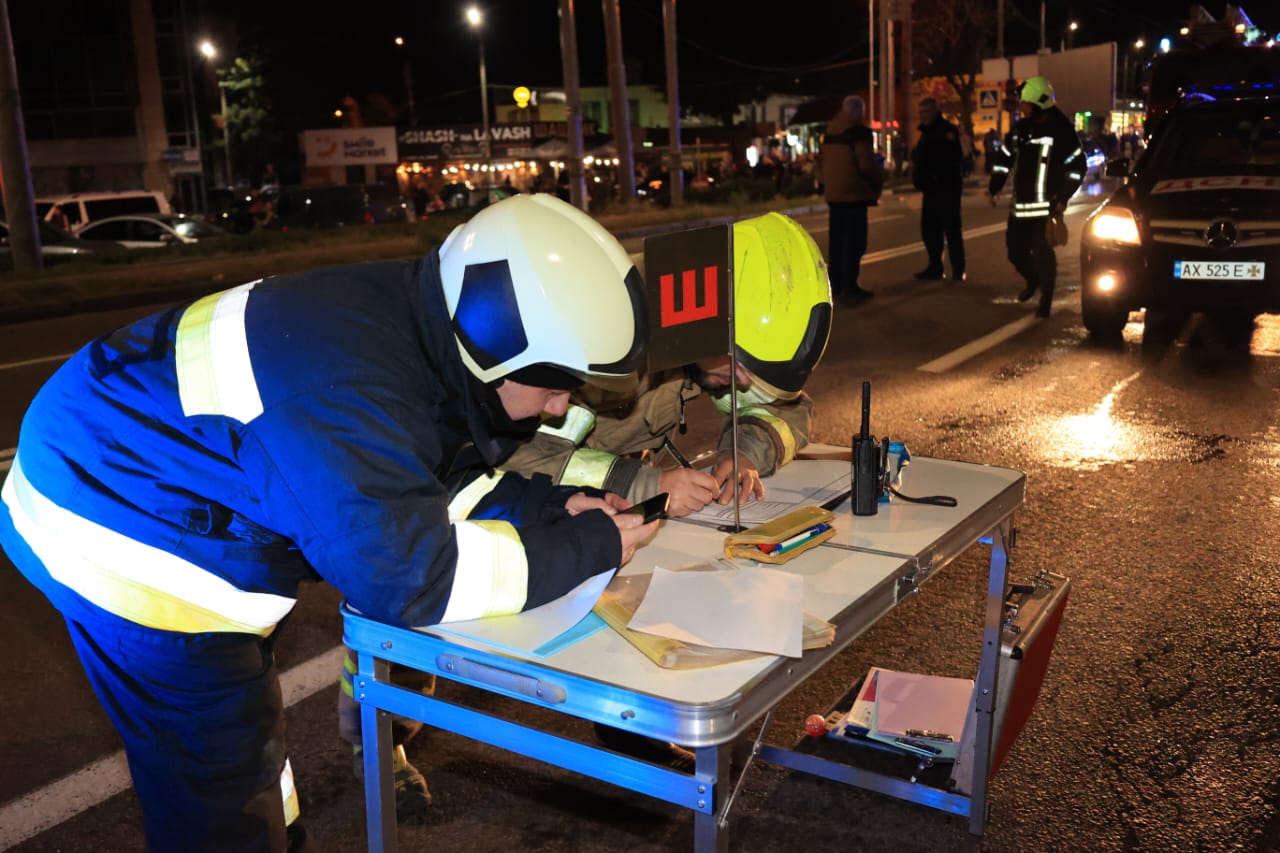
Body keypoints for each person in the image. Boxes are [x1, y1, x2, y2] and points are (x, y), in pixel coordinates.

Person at [0, 192, 657, 851]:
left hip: (126, 448)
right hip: (113, 505)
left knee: (245, 738)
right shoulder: (352, 389)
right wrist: (590, 541)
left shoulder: (418, 322)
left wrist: (551, 509)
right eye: (559, 380)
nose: (562, 403)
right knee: (214, 756)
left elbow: (420, 479)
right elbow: (415, 578)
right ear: (497, 341)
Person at [502, 210, 832, 765]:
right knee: (428, 634)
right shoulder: (590, 328)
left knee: (634, 605)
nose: (744, 384)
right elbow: (514, 456)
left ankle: (630, 725)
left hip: (608, 497)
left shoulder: (709, 336)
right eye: (738, 368)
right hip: (488, 497)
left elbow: (789, 415)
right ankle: (383, 739)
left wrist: (742, 448)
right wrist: (645, 481)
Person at [988, 76, 1086, 318]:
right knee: (1014, 251)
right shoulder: (1021, 129)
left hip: (1046, 206)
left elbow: (1077, 166)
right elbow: (1004, 159)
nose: (1022, 108)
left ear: (1039, 104)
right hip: (1020, 206)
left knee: (1042, 252)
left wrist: (1063, 196)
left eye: (1026, 104)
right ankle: (1033, 281)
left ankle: (1046, 300)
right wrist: (995, 186)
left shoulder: (1062, 131)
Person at [821, 94, 883, 304]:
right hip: (854, 195)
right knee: (855, 243)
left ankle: (836, 286)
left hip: (834, 196)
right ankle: (850, 286)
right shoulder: (859, 133)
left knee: (837, 243)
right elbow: (866, 165)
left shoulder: (831, 130)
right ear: (859, 112)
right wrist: (877, 182)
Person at [910, 97, 968, 283]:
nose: (923, 116)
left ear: (935, 112)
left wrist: (935, 174)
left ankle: (958, 269)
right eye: (921, 113)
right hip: (931, 190)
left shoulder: (947, 131)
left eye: (926, 112)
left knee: (951, 231)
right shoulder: (926, 132)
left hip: (946, 189)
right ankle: (935, 266)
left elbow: (952, 158)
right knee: (929, 230)